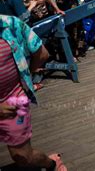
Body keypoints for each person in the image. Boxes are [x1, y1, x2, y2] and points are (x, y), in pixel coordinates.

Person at [0, 15, 67, 170]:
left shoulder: (10, 24)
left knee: (23, 157)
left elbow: (42, 53)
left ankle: (52, 164)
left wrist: (26, 77)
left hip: (12, 102)